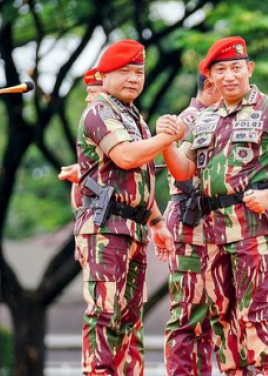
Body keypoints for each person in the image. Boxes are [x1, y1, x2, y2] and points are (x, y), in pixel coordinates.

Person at [157, 36, 268, 376]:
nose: (229, 76)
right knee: (222, 319)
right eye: (221, 70)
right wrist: (167, 142)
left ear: (249, 69)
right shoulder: (204, 119)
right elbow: (184, 170)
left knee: (256, 317)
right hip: (212, 234)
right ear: (209, 78)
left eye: (236, 68)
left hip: (253, 230)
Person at [74, 39, 185, 376]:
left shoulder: (133, 116)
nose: (134, 79)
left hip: (134, 228)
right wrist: (168, 137)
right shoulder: (99, 111)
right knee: (105, 313)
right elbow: (126, 156)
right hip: (105, 229)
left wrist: (156, 222)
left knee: (129, 319)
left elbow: (138, 181)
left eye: (139, 72)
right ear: (104, 75)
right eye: (124, 72)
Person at [163, 73, 221, 376]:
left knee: (207, 317)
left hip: (208, 224)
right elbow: (182, 174)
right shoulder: (190, 118)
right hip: (190, 220)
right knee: (187, 315)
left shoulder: (218, 116)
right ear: (209, 85)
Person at [58, 67, 103, 210]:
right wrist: (82, 174)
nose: (87, 99)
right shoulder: (93, 125)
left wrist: (82, 175)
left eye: (92, 93)